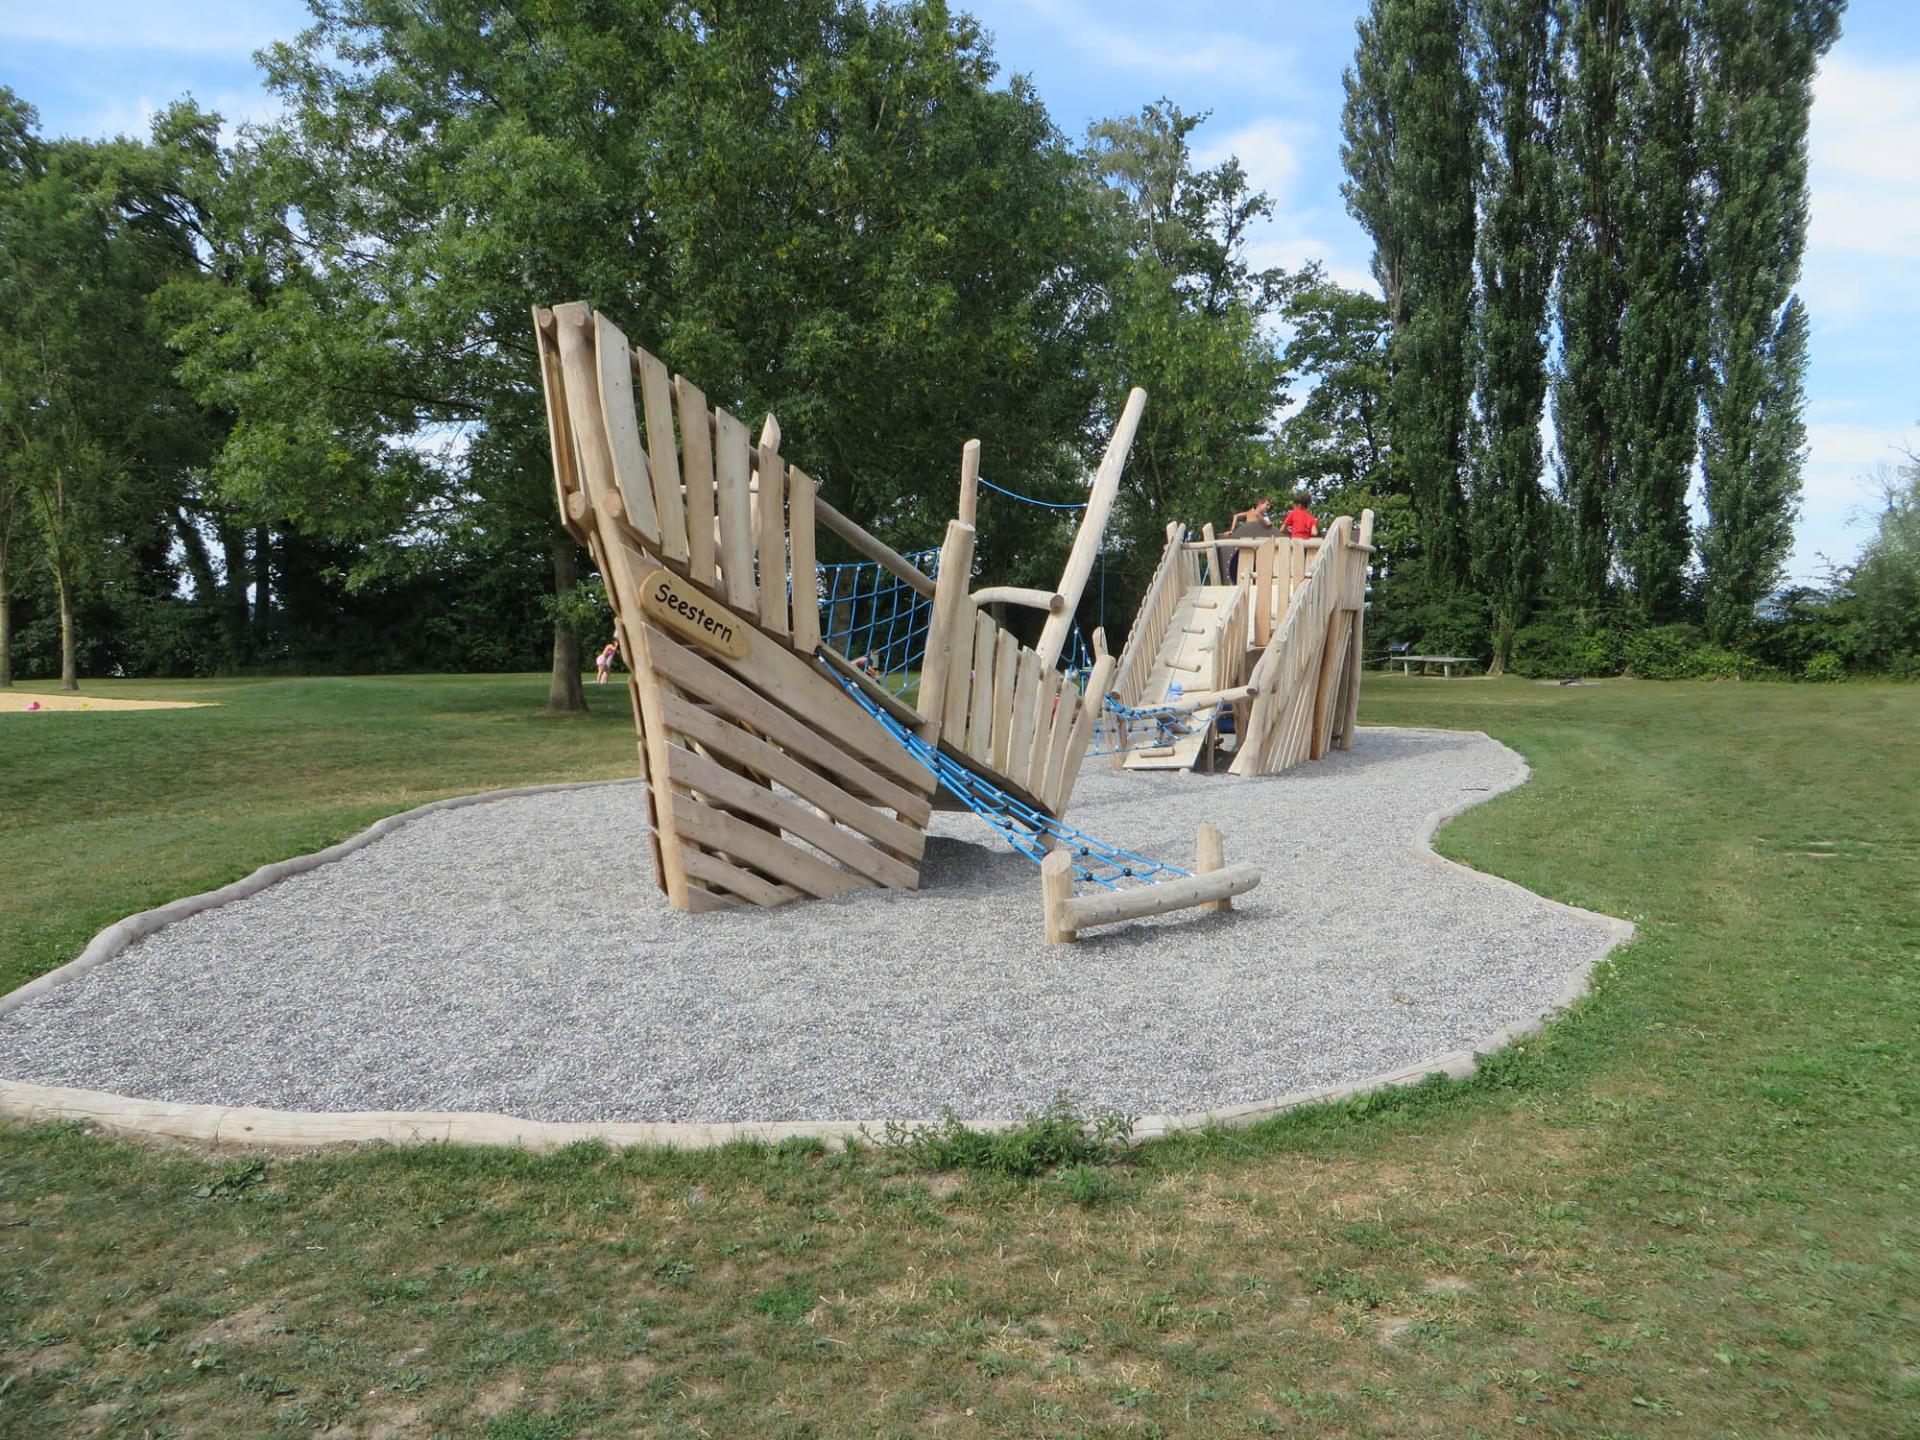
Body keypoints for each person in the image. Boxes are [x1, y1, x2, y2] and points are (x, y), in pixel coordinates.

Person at [1223, 497, 1277, 582]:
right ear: (1260, 504)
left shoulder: (1259, 516)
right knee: (1246, 561)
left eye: (1269, 505)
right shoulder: (1253, 513)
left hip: (1256, 543)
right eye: (1267, 504)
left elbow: (1267, 524)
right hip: (1248, 542)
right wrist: (1232, 530)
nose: (1268, 507)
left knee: (1255, 562)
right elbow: (1236, 516)